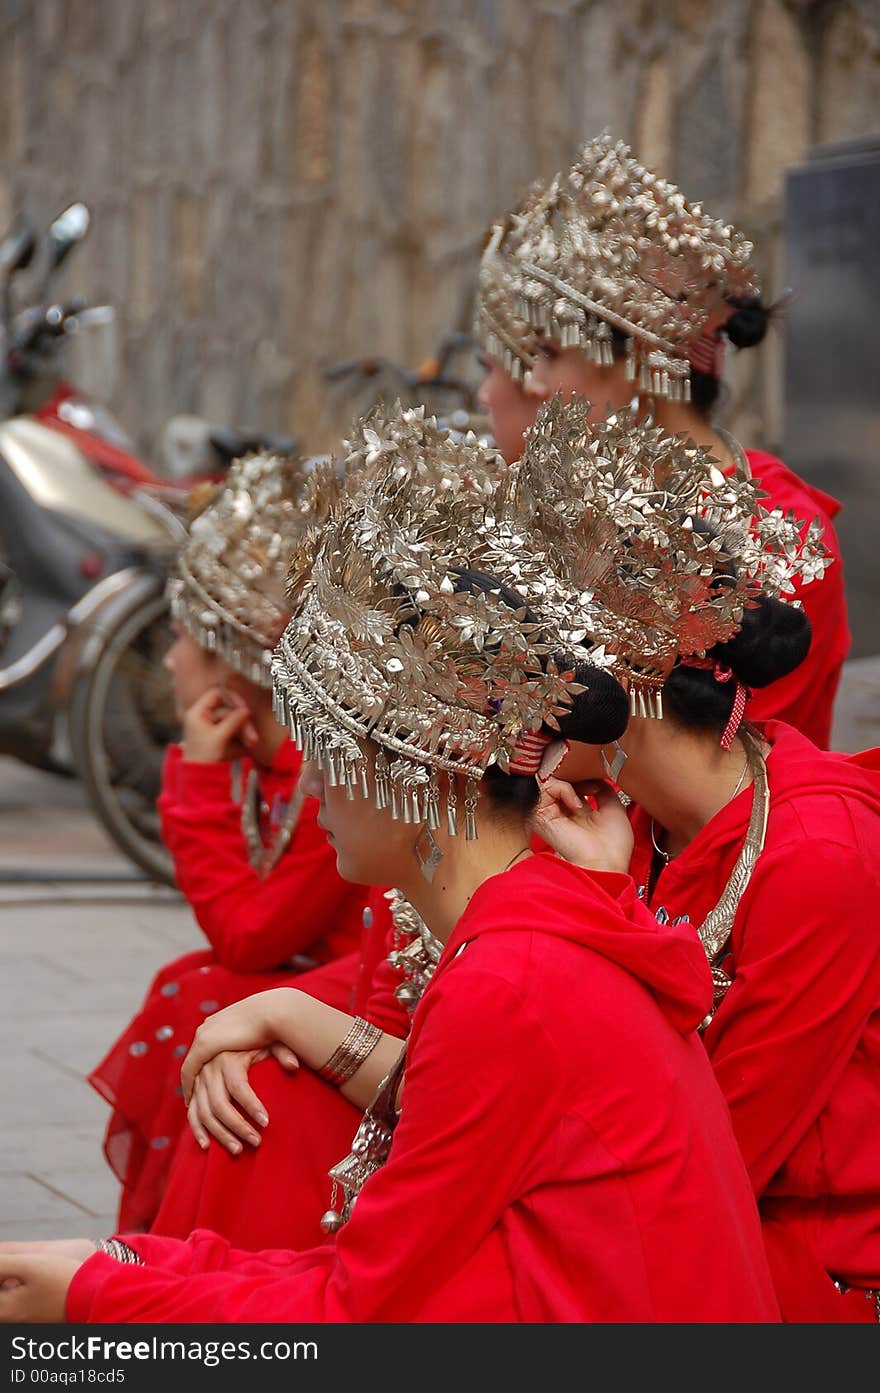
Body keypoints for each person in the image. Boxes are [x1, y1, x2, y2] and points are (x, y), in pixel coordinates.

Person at [0, 407, 778, 1324]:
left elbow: (353, 1307)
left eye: (328, 746)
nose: (311, 780)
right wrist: (118, 1266)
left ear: (412, 774)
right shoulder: (519, 932)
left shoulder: (512, 976)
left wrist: (99, 1294)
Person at [519, 398, 880, 1323]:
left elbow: (712, 1151)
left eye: (535, 672)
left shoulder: (817, 861)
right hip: (683, 1195)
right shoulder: (627, 820)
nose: (511, 713)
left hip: (800, 1256)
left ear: (618, 684)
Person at [475, 132, 850, 747]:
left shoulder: (777, 537)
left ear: (643, 359)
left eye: (549, 353)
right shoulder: (586, 502)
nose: (535, 382)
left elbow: (685, 754)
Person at [89, 452, 369, 1233]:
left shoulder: (325, 783)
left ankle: (170, 1250)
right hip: (329, 971)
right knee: (190, 984)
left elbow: (249, 935)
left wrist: (200, 784)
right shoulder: (268, 762)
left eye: (182, 638)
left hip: (371, 982)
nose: (171, 657)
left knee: (201, 994)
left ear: (229, 667)